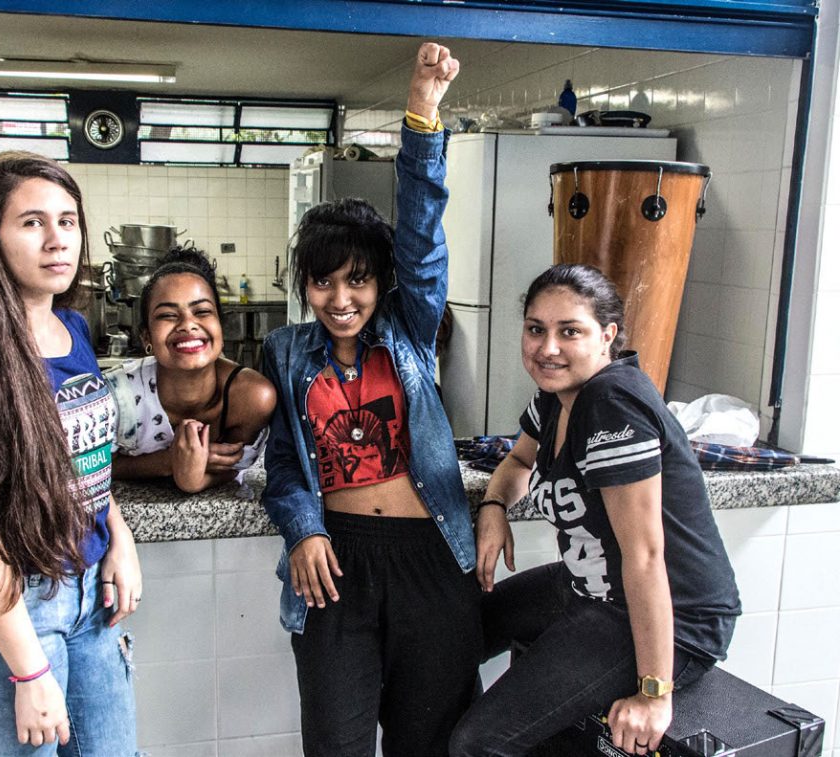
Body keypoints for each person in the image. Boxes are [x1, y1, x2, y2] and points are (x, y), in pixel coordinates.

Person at [261, 43, 481, 757]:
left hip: (430, 557)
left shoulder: (412, 330)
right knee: (337, 745)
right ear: (305, 284)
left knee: (432, 745)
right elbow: (287, 467)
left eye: (357, 279)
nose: (340, 298)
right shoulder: (286, 352)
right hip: (336, 566)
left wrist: (422, 111)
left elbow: (421, 235)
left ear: (380, 282)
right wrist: (304, 529)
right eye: (324, 281)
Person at [449, 264, 741, 757]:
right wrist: (495, 505)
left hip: (671, 617)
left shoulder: (611, 404)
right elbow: (520, 458)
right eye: (536, 329)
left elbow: (646, 555)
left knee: (477, 744)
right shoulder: (555, 397)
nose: (548, 348)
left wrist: (654, 694)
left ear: (607, 336)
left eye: (570, 332)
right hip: (589, 586)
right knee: (451, 635)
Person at [0, 151, 142, 756]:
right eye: (32, 222)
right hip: (10, 607)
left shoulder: (75, 330)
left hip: (89, 596)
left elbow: (83, 462)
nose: (56, 239)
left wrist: (118, 537)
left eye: (68, 221)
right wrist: (28, 671)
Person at [104, 246, 276, 492]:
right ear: (146, 337)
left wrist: (193, 479)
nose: (188, 324)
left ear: (220, 325)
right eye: (167, 315)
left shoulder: (252, 397)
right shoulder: (116, 396)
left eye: (202, 311)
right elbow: (82, 469)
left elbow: (232, 468)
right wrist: (168, 461)